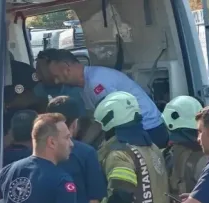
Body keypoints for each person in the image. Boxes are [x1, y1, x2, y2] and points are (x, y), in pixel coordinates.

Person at [37, 49, 171, 149]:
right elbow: (94, 119)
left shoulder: (97, 83)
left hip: (149, 129)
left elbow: (101, 123)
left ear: (66, 69)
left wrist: (78, 146)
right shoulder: (85, 84)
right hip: (138, 129)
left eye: (57, 76)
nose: (56, 81)